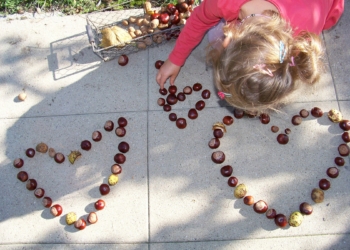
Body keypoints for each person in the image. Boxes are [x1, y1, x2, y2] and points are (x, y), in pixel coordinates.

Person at [156, 0, 344, 114]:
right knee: (212, 35)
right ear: (228, 39)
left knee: (212, 36)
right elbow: (199, 19)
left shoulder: (304, 33)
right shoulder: (223, 2)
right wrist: (175, 58)